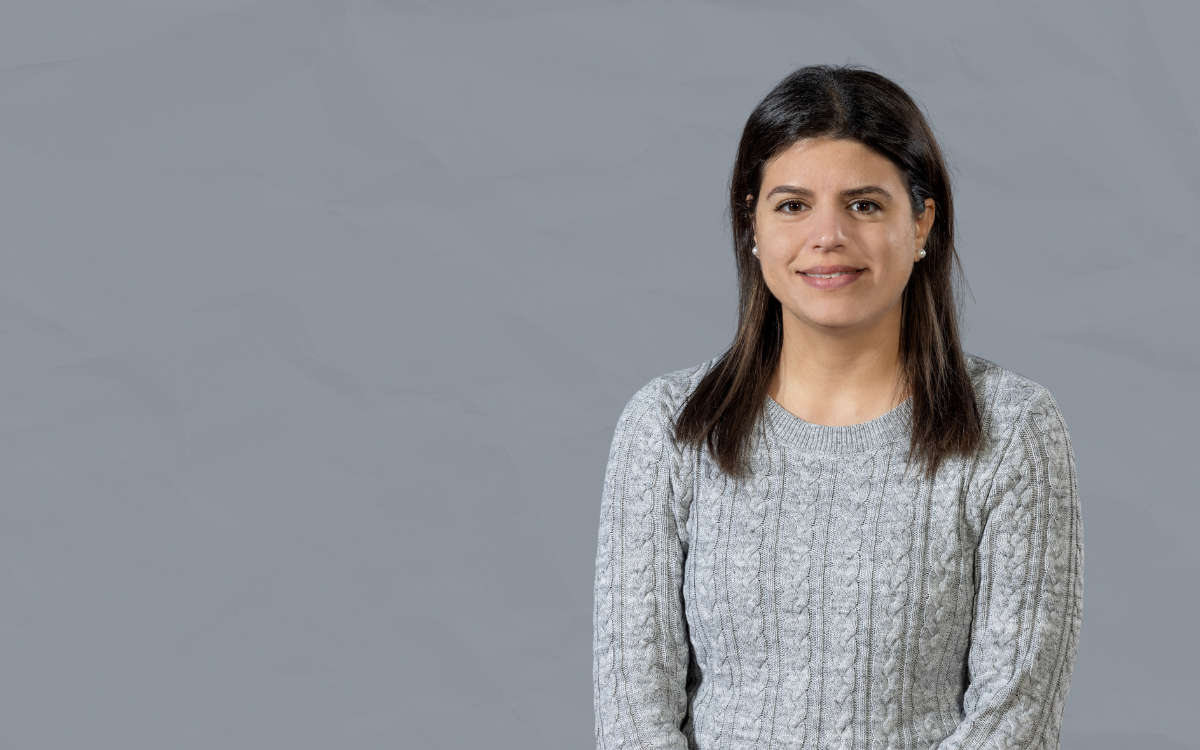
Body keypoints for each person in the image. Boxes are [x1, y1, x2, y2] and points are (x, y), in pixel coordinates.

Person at [592, 64, 1083, 750]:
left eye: (865, 205)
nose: (828, 236)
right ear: (752, 224)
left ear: (922, 222)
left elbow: (1016, 719)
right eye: (793, 205)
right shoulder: (670, 427)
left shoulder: (1011, 429)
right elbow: (633, 721)